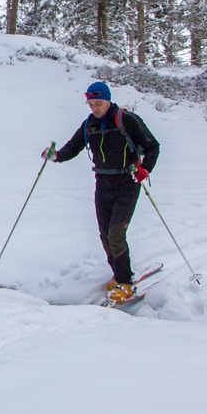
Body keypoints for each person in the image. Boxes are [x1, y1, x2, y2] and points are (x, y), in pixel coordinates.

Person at [44, 82, 160, 304]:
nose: (95, 108)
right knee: (105, 235)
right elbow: (73, 146)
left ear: (108, 100)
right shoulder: (89, 124)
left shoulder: (127, 120)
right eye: (91, 104)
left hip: (128, 182)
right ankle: (118, 273)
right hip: (103, 184)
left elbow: (153, 146)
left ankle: (125, 282)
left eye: (99, 103)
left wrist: (146, 169)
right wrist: (56, 156)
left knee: (116, 233)